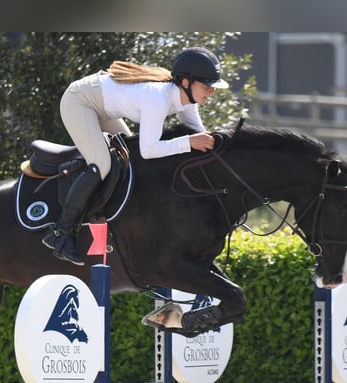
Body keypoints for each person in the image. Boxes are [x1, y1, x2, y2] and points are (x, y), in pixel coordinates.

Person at [42, 47, 229, 265]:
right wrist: (189, 142)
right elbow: (148, 150)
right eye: (207, 86)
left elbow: (201, 135)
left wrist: (223, 148)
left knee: (131, 163)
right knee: (102, 163)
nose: (211, 92)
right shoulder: (158, 98)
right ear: (186, 83)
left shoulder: (186, 100)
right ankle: (61, 234)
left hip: (101, 106)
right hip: (80, 102)